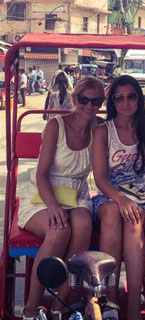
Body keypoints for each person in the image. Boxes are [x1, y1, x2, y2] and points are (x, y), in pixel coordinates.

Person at [18, 76, 105, 319]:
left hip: (76, 194)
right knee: (59, 230)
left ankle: (59, 307)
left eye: (95, 101)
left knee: (84, 224)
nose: (89, 106)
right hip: (44, 193)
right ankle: (30, 308)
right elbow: (42, 174)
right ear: (75, 98)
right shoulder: (57, 125)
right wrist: (54, 207)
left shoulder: (99, 127)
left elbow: (129, 130)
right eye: (83, 99)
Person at [92, 75, 145, 320]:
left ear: (138, 98)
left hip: (144, 198)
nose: (125, 103)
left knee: (133, 221)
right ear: (112, 102)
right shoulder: (103, 131)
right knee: (115, 212)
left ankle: (135, 304)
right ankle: (110, 295)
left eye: (131, 97)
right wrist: (121, 199)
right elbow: (101, 178)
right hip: (111, 195)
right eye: (119, 98)